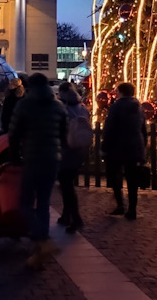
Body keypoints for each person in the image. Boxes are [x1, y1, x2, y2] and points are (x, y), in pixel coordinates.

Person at [9, 73, 67, 269]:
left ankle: (43, 241)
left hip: (33, 158)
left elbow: (14, 133)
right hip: (52, 159)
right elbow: (64, 136)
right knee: (43, 203)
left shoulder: (25, 105)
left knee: (24, 203)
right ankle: (39, 251)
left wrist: (15, 156)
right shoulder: (59, 107)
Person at [101, 82, 147, 221]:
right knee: (132, 179)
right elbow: (143, 129)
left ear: (120, 92)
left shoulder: (116, 107)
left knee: (115, 176)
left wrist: (104, 147)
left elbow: (110, 128)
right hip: (134, 146)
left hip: (118, 146)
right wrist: (143, 146)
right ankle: (132, 209)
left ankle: (121, 205)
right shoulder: (138, 107)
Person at [57, 82, 91, 234]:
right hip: (81, 150)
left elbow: (60, 131)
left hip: (67, 151)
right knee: (67, 184)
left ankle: (76, 219)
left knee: (66, 186)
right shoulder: (82, 108)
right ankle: (66, 215)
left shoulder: (63, 109)